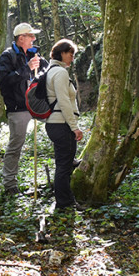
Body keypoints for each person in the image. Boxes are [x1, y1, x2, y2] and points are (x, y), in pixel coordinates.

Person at [0, 22, 46, 195]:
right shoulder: (7, 56)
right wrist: (27, 69)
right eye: (30, 36)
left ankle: (68, 164)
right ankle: (10, 184)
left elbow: (46, 71)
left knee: (58, 125)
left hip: (37, 104)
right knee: (16, 145)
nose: (34, 39)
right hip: (18, 107)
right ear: (21, 38)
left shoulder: (35, 54)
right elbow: (5, 81)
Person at [45, 38, 83, 211]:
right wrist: (74, 127)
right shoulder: (60, 73)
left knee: (63, 163)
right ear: (62, 53)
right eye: (70, 54)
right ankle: (65, 203)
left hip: (55, 123)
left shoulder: (50, 70)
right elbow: (64, 101)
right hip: (61, 124)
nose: (72, 58)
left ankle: (63, 200)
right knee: (64, 167)